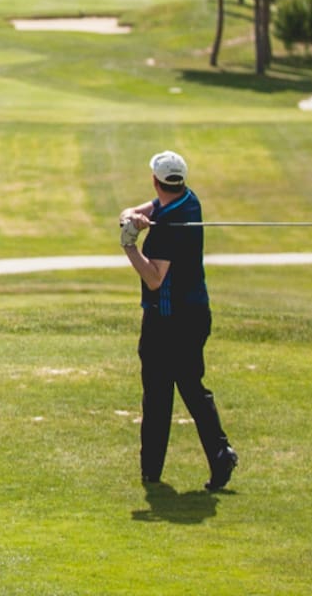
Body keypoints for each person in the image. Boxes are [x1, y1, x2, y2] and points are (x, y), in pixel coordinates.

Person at [119, 151, 237, 491]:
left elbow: (155, 278)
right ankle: (220, 452)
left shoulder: (170, 225)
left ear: (155, 180)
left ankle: (151, 472)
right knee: (190, 387)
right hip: (195, 314)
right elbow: (142, 209)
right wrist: (131, 217)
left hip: (167, 321)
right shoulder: (188, 200)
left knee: (157, 395)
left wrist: (130, 246)